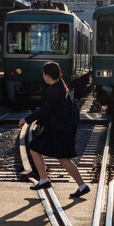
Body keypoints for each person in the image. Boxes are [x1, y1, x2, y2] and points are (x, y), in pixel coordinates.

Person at [18, 61, 90, 199]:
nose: (43, 76)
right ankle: (44, 180)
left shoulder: (55, 90)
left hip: (60, 131)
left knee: (63, 159)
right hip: (56, 129)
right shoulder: (58, 87)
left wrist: (26, 119)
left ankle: (82, 186)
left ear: (47, 75)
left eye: (43, 74)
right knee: (35, 149)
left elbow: (45, 110)